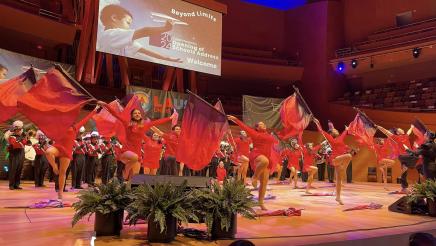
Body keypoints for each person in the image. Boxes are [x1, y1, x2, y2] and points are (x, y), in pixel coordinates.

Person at [104, 104, 176, 180]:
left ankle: (128, 188)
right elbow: (115, 114)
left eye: (139, 113)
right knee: (133, 158)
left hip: (137, 153)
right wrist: (104, 104)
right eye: (135, 113)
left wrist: (170, 118)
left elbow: (157, 122)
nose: (137, 114)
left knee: (134, 177)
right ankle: (126, 170)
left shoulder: (145, 125)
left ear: (141, 116)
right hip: (126, 150)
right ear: (132, 116)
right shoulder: (127, 123)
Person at [45, 105, 100, 202]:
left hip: (66, 150)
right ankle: (54, 167)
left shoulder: (76, 127)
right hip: (58, 147)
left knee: (63, 173)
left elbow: (87, 118)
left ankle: (60, 193)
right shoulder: (59, 125)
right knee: (48, 152)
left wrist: (95, 109)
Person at [98, 4, 182, 62]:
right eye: (128, 22)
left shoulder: (117, 38)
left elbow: (144, 51)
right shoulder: (111, 34)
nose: (129, 27)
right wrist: (166, 28)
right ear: (114, 18)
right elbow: (145, 31)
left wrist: (167, 58)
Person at [228, 115, 276, 210]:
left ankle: (260, 203)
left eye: (264, 124)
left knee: (264, 182)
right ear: (257, 128)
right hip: (257, 155)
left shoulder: (269, 135)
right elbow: (244, 127)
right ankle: (254, 176)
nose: (263, 125)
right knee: (264, 161)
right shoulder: (254, 133)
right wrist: (235, 119)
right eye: (261, 124)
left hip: (267, 157)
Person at [314, 118, 351, 205]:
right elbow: (322, 131)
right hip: (334, 159)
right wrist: (317, 123)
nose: (336, 130)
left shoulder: (340, 138)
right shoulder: (330, 138)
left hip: (340, 160)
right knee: (349, 156)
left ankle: (338, 197)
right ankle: (344, 169)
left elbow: (345, 133)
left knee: (339, 180)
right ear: (331, 133)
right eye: (334, 130)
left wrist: (347, 129)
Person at [377, 125, 413, 192]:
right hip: (403, 156)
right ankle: (404, 186)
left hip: (408, 155)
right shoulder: (396, 137)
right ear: (398, 132)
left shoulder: (405, 136)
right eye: (400, 129)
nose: (402, 129)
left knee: (405, 170)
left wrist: (411, 127)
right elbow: (386, 132)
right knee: (404, 168)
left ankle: (403, 186)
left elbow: (409, 132)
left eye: (401, 129)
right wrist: (379, 127)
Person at [6, 121, 27, 190]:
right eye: (17, 129)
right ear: (15, 129)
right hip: (14, 153)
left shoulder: (22, 136)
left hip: (21, 153)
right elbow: (14, 145)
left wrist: (23, 140)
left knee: (19, 169)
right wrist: (20, 142)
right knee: (13, 169)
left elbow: (26, 143)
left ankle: (16, 184)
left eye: (20, 129)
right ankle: (11, 185)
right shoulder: (11, 136)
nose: (19, 130)